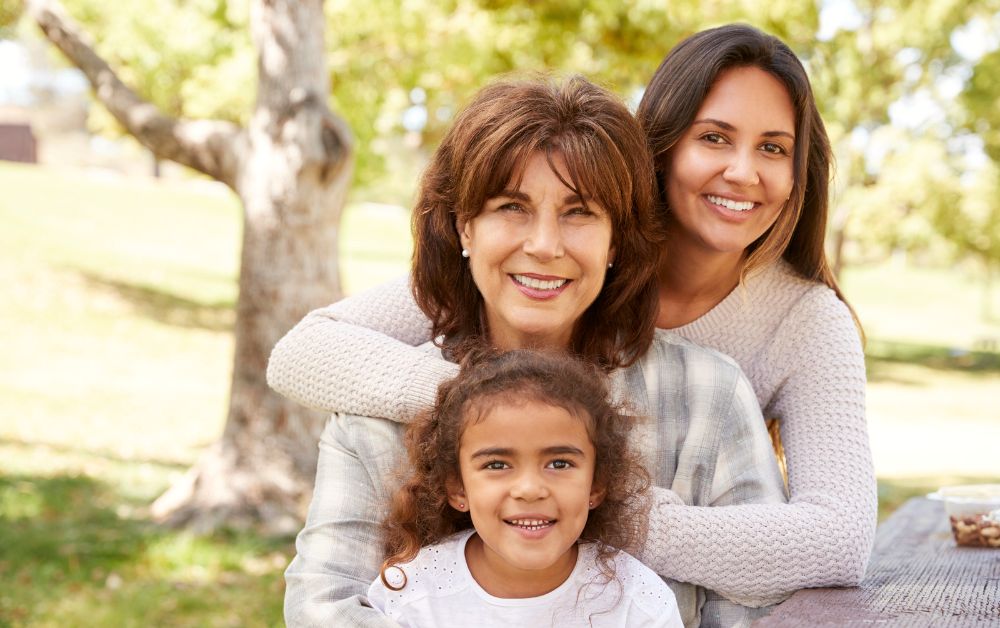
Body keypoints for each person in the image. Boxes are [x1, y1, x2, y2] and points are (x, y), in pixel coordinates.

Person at [268, 23, 876, 607]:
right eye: (714, 137)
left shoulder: (775, 340)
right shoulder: (520, 269)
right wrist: (491, 403)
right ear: (657, 152)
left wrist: (606, 509)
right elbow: (304, 351)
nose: (743, 171)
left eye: (773, 148)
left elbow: (839, 541)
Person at [368, 349, 684, 627]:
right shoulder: (411, 593)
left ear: (596, 486)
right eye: (497, 465)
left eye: (559, 464)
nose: (530, 489)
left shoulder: (637, 603)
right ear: (458, 488)